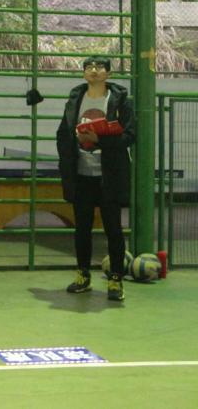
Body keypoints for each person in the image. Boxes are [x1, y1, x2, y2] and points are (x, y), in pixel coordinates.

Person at [56, 55, 135, 302]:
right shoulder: (75, 100)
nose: (94, 70)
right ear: (83, 73)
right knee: (82, 229)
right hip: (81, 175)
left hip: (108, 176)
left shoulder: (120, 101)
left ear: (108, 74)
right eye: (89, 66)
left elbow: (130, 136)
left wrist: (100, 140)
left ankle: (116, 280)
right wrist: (69, 151)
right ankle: (83, 275)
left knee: (113, 229)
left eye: (100, 67)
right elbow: (63, 132)